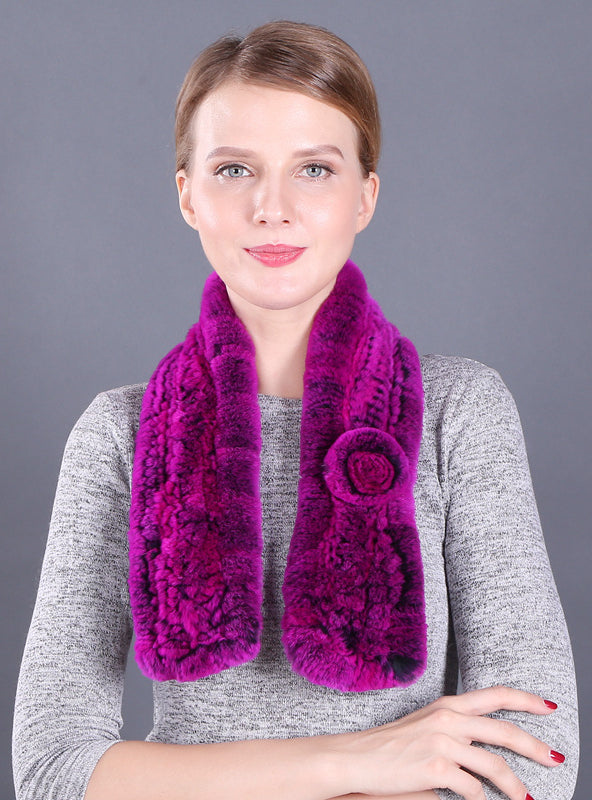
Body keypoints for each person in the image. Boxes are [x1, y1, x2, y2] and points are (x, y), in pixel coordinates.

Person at [13, 20, 578, 800]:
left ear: (364, 195)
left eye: (314, 169)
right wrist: (354, 760)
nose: (271, 208)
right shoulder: (118, 433)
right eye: (234, 168)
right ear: (187, 195)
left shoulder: (461, 412)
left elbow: (537, 757)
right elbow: (52, 770)